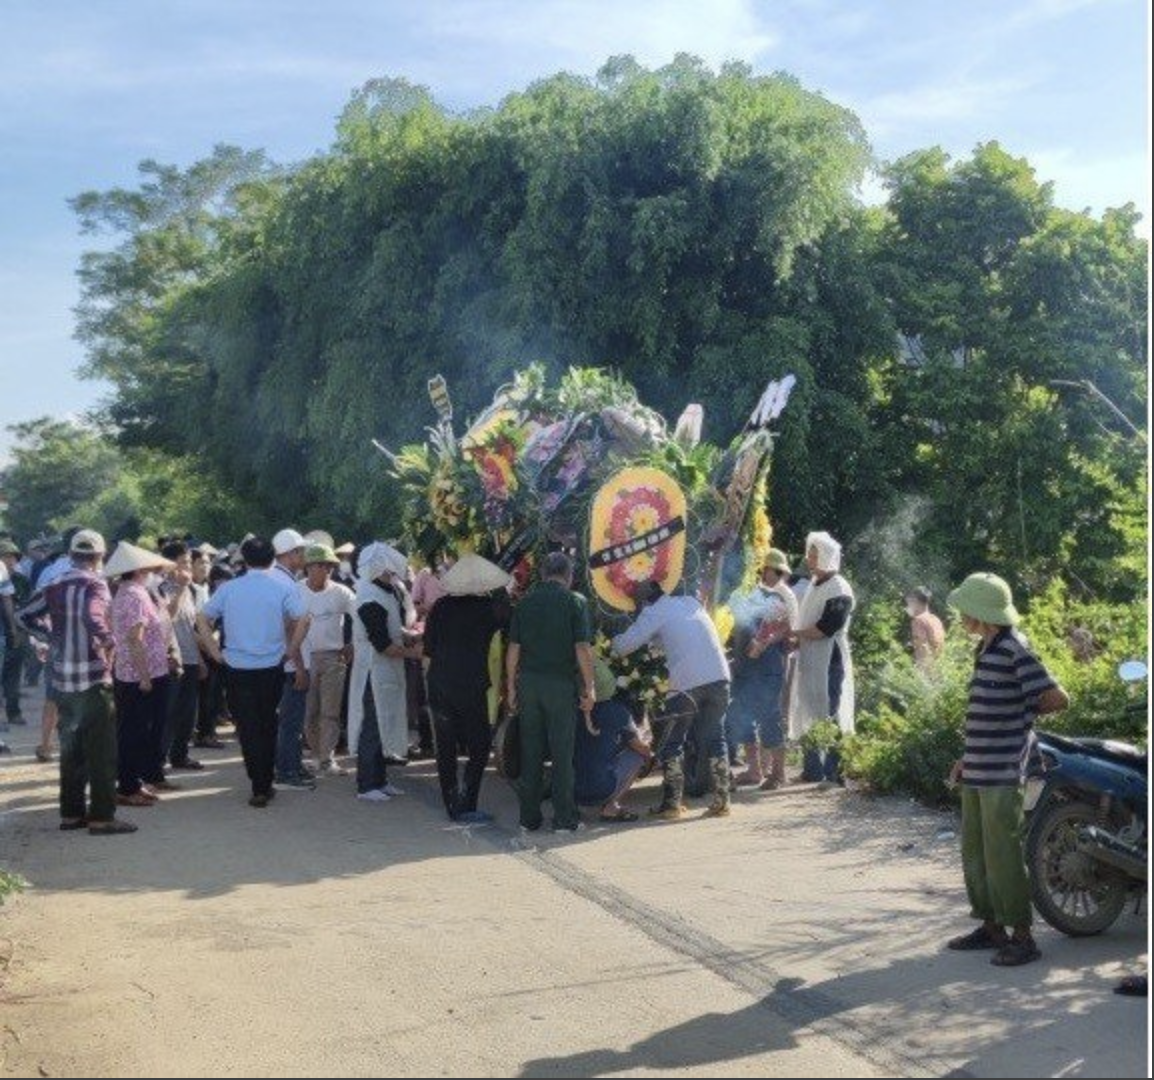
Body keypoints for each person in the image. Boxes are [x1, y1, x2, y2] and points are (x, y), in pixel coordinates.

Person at [945, 572, 1068, 968]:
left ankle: (1022, 936)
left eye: (965, 609)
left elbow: (1056, 697)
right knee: (976, 852)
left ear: (980, 613)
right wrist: (966, 758)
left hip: (1003, 771)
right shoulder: (986, 649)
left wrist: (1022, 720)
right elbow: (982, 714)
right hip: (979, 767)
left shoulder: (1015, 648)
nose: (961, 616)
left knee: (1003, 855)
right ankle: (991, 927)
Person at [19, 530, 136, 834]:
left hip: (62, 679)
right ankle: (102, 817)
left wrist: (51, 637)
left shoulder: (53, 583)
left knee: (71, 749)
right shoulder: (95, 584)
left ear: (71, 555)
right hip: (94, 678)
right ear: (99, 557)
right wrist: (108, 641)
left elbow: (24, 616)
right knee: (101, 751)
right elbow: (93, 616)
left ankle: (71, 814)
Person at [199, 536, 307, 808]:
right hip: (272, 665)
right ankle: (264, 782)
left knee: (247, 726)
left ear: (244, 560)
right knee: (268, 722)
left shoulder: (229, 588)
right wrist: (291, 650)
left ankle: (257, 781)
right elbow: (303, 618)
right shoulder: (283, 587)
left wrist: (214, 651)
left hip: (235, 667)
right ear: (273, 558)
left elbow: (202, 617)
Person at [613, 580, 732, 819]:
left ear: (644, 602)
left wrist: (614, 637)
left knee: (672, 741)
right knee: (716, 737)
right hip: (720, 677)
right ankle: (722, 800)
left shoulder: (653, 611)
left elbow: (622, 647)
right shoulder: (689, 602)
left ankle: (672, 804)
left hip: (687, 683)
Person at [506, 551, 595, 834]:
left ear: (542, 574)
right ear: (568, 576)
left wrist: (510, 686)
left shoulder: (525, 603)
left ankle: (528, 819)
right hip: (560, 686)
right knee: (562, 754)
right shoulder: (575, 602)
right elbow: (582, 648)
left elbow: (513, 649)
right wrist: (590, 687)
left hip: (529, 685)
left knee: (530, 751)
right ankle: (564, 819)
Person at [422, 554, 512, 823]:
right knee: (480, 744)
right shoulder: (488, 608)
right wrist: (498, 589)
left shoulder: (439, 607)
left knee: (446, 747)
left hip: (439, 682)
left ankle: (452, 804)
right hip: (471, 685)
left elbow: (428, 650)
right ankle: (468, 801)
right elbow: (511, 619)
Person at [348, 542, 422, 802]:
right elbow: (382, 644)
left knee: (385, 723)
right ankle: (367, 785)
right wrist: (415, 652)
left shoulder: (387, 590)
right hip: (373, 670)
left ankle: (380, 779)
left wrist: (408, 634)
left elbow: (391, 626)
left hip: (388, 670)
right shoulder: (368, 597)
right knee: (373, 724)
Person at [107, 542, 180, 806]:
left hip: (132, 672)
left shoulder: (125, 592)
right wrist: (145, 676)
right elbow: (135, 639)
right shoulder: (136, 596)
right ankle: (128, 786)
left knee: (135, 730)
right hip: (140, 675)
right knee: (136, 732)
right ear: (139, 570)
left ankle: (133, 782)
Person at [728, 550, 798, 791]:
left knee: (770, 718)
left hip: (767, 668)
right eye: (774, 571)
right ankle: (755, 769)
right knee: (741, 716)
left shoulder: (781, 598)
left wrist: (766, 641)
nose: (778, 576)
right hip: (744, 667)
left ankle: (778, 773)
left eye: (780, 572)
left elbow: (790, 631)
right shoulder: (745, 594)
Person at [789, 531, 855, 784]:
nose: (810, 559)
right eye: (809, 554)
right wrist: (796, 637)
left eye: (815, 555)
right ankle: (812, 769)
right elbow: (808, 624)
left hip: (830, 660)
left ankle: (833, 771)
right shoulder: (815, 585)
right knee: (807, 708)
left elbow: (826, 628)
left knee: (829, 712)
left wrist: (795, 633)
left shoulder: (839, 588)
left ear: (827, 557)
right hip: (810, 658)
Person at [287, 544, 356, 776]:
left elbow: (361, 616)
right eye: (320, 565)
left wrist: (353, 642)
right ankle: (315, 754)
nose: (326, 570)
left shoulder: (342, 592)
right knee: (309, 710)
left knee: (330, 712)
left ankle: (327, 758)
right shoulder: (295, 590)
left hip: (333, 657)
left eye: (329, 566)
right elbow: (286, 623)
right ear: (308, 567)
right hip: (304, 659)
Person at [574, 657, 652, 822]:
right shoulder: (618, 712)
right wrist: (648, 745)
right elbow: (642, 749)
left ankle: (572, 806)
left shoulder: (569, 711)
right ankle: (611, 807)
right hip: (601, 789)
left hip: (571, 789)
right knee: (637, 756)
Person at [158, 540, 209, 771]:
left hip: (189, 658)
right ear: (169, 564)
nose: (187, 567)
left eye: (189, 562)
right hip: (170, 660)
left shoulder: (190, 590)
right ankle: (158, 761)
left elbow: (191, 627)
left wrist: (199, 659)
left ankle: (180, 755)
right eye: (183, 562)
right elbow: (168, 617)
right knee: (168, 713)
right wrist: (179, 589)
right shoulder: (161, 587)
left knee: (189, 713)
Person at [271, 528, 313, 789]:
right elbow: (290, 627)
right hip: (289, 663)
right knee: (291, 722)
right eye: (302, 551)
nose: (305, 556)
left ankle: (292, 765)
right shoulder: (286, 583)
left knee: (289, 721)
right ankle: (287, 773)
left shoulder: (276, 578)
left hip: (279, 661)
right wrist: (298, 665)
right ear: (292, 553)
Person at [906, 586, 945, 670]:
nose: (908, 606)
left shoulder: (918, 620)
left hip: (927, 669)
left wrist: (922, 672)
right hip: (940, 666)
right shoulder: (935, 619)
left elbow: (922, 647)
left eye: (908, 603)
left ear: (915, 601)